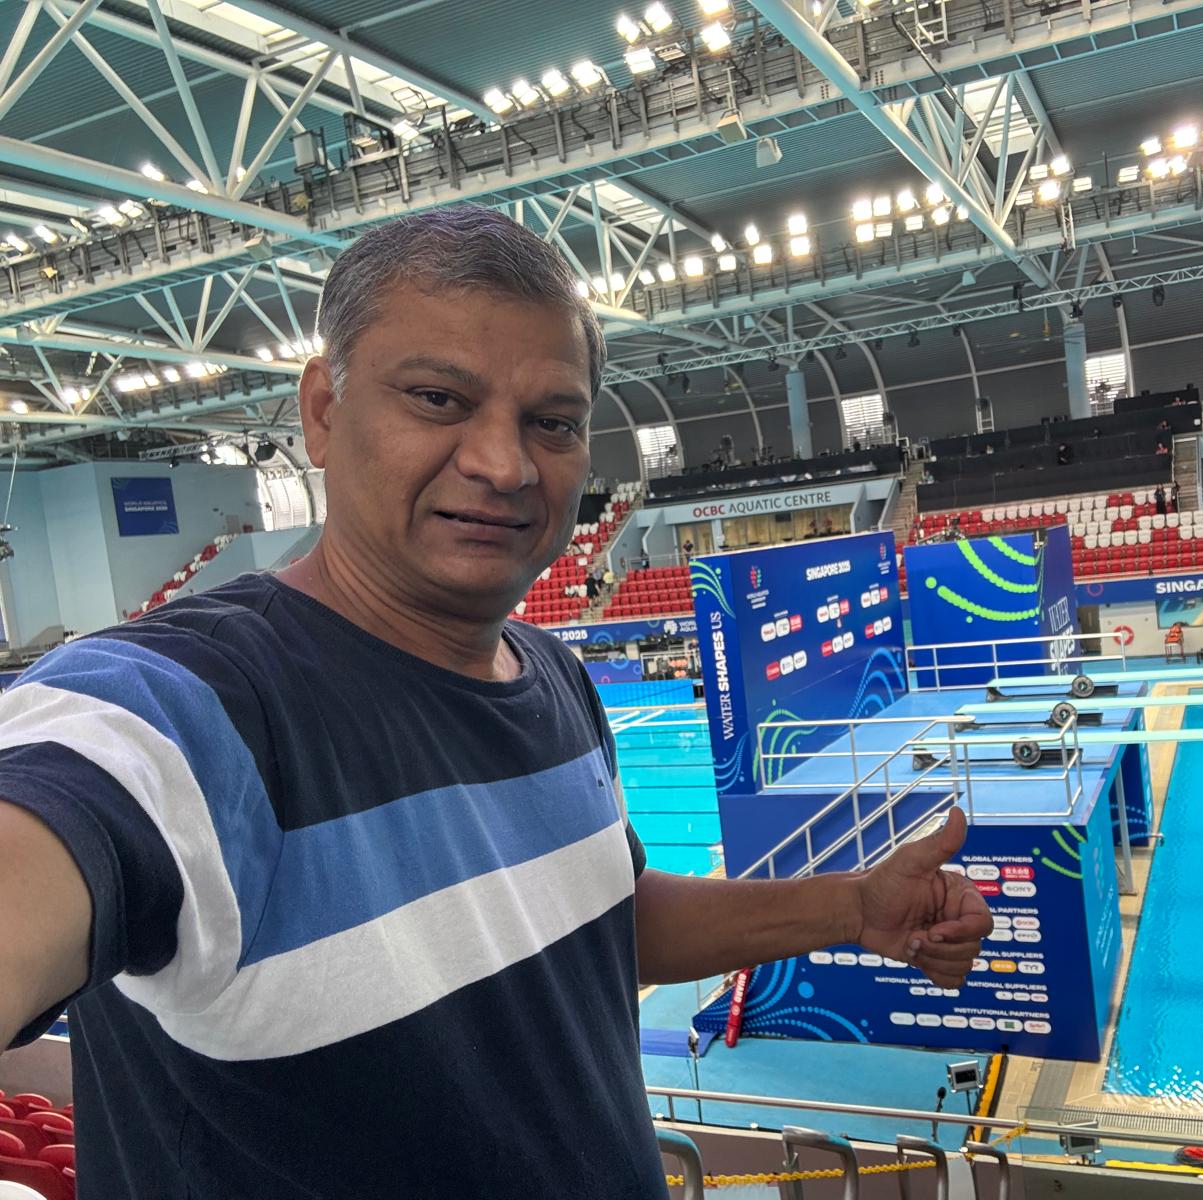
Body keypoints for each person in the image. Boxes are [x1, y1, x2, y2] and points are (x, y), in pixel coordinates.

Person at [0, 208, 992, 1199]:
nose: (504, 465)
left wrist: (851, 907)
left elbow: (606, 923)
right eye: (438, 398)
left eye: (552, 422)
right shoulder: (183, 708)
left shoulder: (554, 678)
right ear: (322, 412)